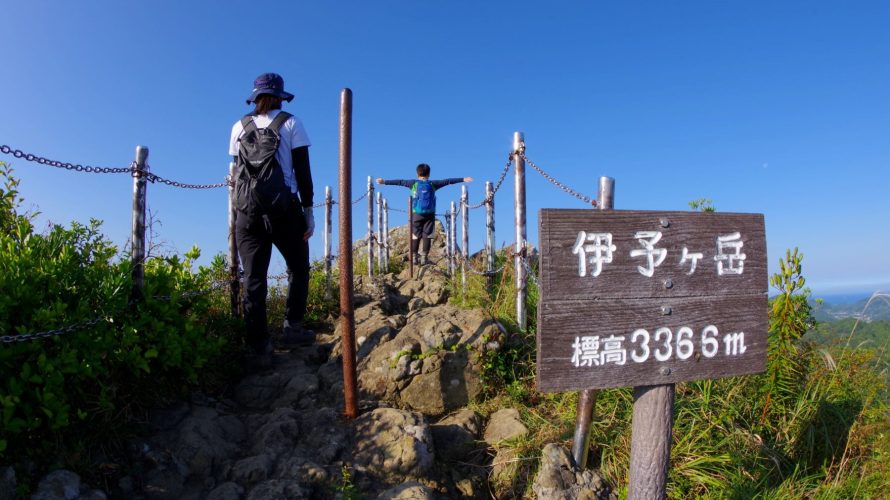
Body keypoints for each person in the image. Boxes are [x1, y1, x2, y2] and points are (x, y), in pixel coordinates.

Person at [229, 72, 315, 368]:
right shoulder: (291, 123)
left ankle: (259, 346)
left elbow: (236, 172)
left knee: (253, 278)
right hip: (284, 210)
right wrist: (308, 211)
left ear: (255, 95)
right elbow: (303, 172)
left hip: (246, 213)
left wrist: (238, 211)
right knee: (299, 268)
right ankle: (292, 327)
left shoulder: (239, 126)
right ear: (280, 95)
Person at [376, 164, 472, 265]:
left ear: (417, 173)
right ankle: (424, 258)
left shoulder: (413, 183)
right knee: (428, 235)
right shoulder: (432, 184)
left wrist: (384, 182)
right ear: (429, 174)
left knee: (415, 235)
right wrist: (463, 179)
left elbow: (399, 182)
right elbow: (447, 181)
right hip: (429, 214)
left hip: (416, 213)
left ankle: (413, 257)